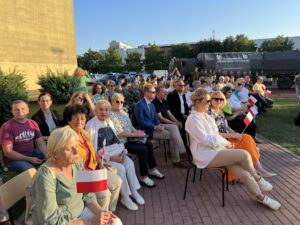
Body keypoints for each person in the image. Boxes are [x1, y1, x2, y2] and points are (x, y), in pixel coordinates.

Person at [185, 88, 281, 210]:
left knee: (244, 174)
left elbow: (215, 135)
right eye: (208, 101)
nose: (209, 104)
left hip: (216, 150)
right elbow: (206, 140)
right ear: (198, 102)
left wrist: (226, 143)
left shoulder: (206, 117)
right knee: (244, 155)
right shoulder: (193, 119)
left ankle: (261, 197)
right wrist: (225, 143)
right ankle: (258, 177)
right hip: (205, 155)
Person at [30, 126, 122, 225]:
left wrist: (101, 212)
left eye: (76, 146)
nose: (76, 152)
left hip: (81, 214)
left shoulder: (76, 162)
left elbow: (87, 193)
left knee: (115, 222)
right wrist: (90, 222)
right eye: (69, 149)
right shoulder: (45, 178)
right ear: (55, 153)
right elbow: (51, 221)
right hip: (65, 221)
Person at [86, 100, 144, 211]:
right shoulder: (91, 125)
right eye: (101, 109)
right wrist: (113, 158)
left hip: (116, 152)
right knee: (121, 169)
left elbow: (117, 141)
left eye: (106, 109)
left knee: (130, 163)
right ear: (96, 111)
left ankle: (134, 190)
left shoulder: (110, 122)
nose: (104, 112)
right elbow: (93, 149)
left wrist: (123, 152)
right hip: (104, 158)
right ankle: (125, 197)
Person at [65, 105, 122, 212]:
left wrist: (99, 162)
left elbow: (92, 150)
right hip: (82, 176)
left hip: (94, 169)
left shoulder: (84, 133)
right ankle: (100, 217)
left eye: (82, 118)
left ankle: (109, 210)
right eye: (75, 118)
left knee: (117, 182)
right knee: (104, 194)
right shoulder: (68, 137)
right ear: (69, 120)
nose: (79, 121)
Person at [209, 91, 276, 179]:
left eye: (221, 99)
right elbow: (214, 134)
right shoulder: (209, 114)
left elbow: (226, 127)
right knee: (247, 145)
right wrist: (232, 135)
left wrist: (233, 132)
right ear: (210, 100)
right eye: (216, 99)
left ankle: (258, 170)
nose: (219, 101)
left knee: (247, 139)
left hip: (228, 138)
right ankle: (249, 173)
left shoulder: (220, 111)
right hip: (220, 142)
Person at [110, 93, 164, 188]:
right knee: (143, 149)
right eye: (117, 101)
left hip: (130, 138)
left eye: (121, 102)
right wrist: (135, 134)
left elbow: (130, 126)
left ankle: (152, 169)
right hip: (121, 143)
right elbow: (120, 133)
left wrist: (138, 133)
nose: (119, 103)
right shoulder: (111, 115)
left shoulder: (123, 113)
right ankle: (143, 177)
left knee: (148, 144)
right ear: (112, 102)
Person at [134, 84, 189, 168]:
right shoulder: (139, 105)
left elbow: (156, 118)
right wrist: (155, 127)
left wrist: (159, 125)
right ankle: (177, 160)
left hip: (155, 127)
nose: (154, 94)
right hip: (147, 131)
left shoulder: (152, 105)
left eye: (155, 92)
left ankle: (182, 151)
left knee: (174, 127)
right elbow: (141, 122)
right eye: (153, 92)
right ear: (145, 93)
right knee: (174, 136)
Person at [0, 100, 47, 173]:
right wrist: (28, 159)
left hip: (32, 153)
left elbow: (40, 143)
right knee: (32, 172)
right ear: (12, 112)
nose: (20, 111)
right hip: (14, 159)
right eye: (16, 109)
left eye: (23, 108)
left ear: (28, 110)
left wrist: (47, 155)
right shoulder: (7, 127)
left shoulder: (32, 123)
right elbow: (8, 152)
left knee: (55, 161)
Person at [167, 79, 189, 149]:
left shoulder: (183, 95)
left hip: (183, 116)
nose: (182, 87)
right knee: (183, 130)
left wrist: (188, 114)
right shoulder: (171, 95)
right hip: (176, 117)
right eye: (180, 85)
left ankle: (192, 147)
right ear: (175, 86)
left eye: (183, 85)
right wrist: (184, 116)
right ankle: (185, 149)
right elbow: (173, 110)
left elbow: (185, 106)